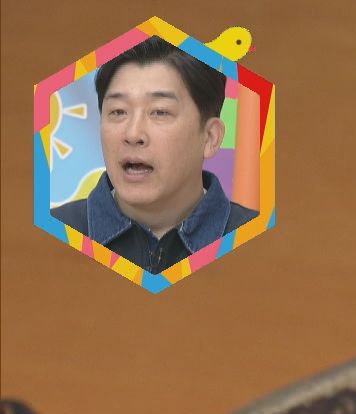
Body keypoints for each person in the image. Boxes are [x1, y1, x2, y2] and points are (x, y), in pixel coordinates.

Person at [51, 37, 256, 274]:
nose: (133, 134)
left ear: (210, 137)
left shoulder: (252, 235)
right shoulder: (56, 230)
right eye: (118, 111)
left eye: (159, 112)